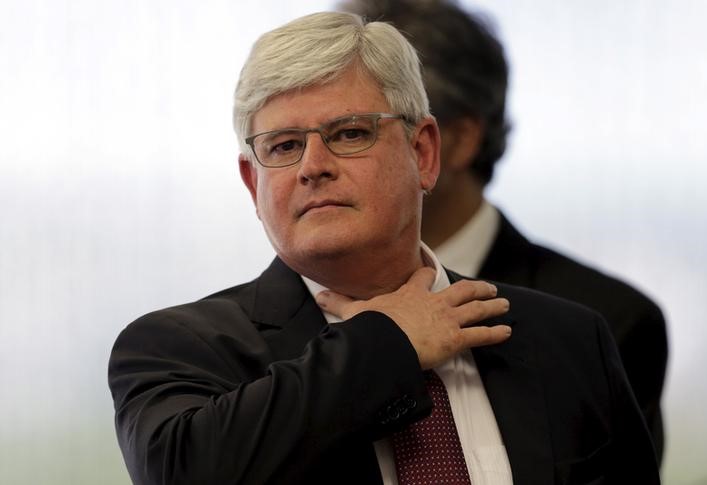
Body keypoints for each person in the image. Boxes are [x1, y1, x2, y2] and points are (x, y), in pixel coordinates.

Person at [108, 11, 661, 485]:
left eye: (350, 134)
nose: (312, 167)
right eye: (284, 146)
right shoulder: (177, 348)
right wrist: (388, 344)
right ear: (254, 185)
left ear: (423, 153)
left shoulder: (567, 338)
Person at [340, 0, 668, 462]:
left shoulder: (608, 321)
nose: (319, 165)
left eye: (354, 132)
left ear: (448, 143)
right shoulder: (264, 325)